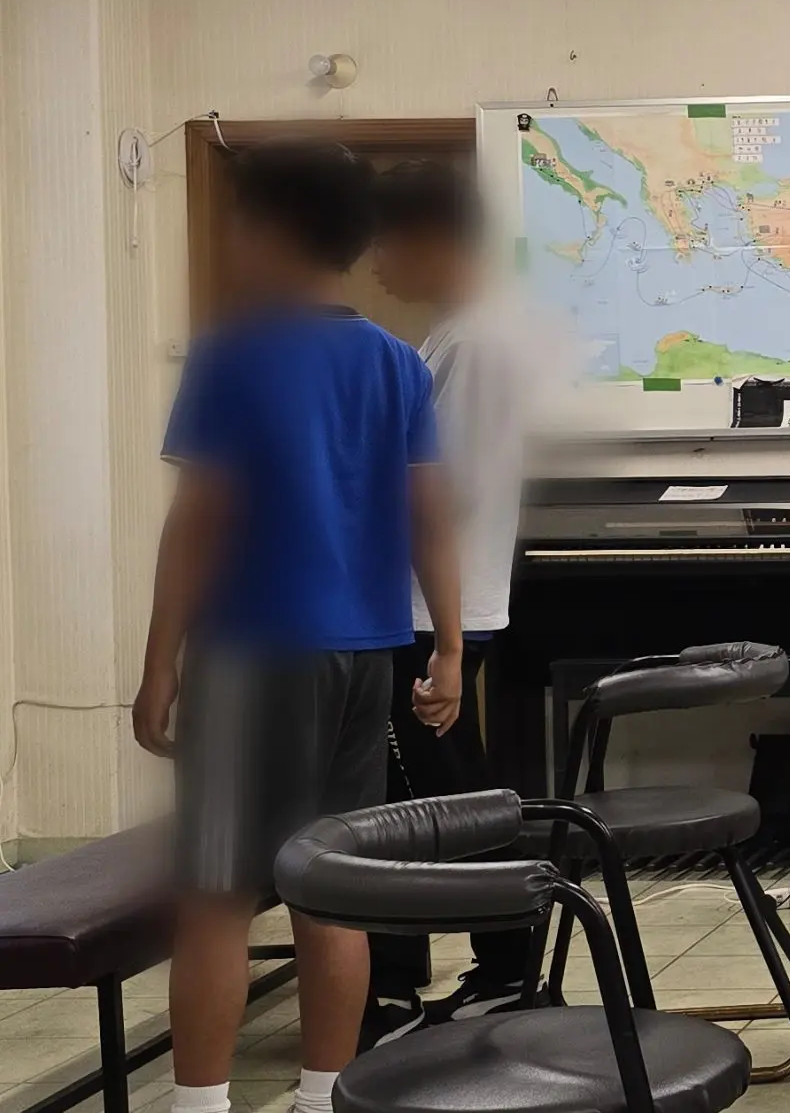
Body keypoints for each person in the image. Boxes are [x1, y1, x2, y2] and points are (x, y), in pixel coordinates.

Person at [137, 142, 463, 1113]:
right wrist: (448, 644)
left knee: (214, 896)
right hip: (366, 654)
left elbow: (199, 520)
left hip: (253, 652)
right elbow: (429, 514)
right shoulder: (396, 363)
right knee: (332, 887)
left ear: (270, 231)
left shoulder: (232, 354)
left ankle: (200, 1105)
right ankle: (325, 1095)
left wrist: (160, 662)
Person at [361, 160, 549, 1041]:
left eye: (385, 243)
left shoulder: (472, 342)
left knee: (437, 800)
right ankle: (425, 974)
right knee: (424, 794)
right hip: (429, 603)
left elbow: (446, 492)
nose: (375, 264)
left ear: (433, 240)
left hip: (425, 607)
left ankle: (499, 970)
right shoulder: (455, 334)